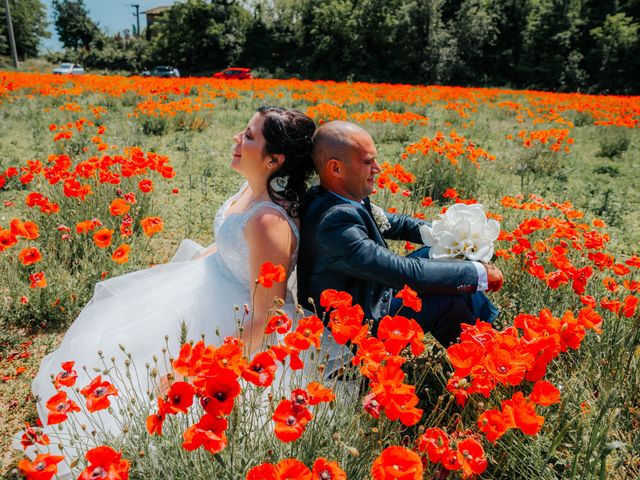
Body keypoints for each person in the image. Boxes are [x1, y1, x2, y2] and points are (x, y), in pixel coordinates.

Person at [19, 107, 349, 472]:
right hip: (207, 282)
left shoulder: (270, 222)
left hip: (236, 321)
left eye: (249, 136)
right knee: (116, 345)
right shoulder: (253, 189)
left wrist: (206, 373)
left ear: (275, 159)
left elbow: (265, 315)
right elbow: (229, 245)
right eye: (244, 131)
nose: (236, 139)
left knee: (153, 391)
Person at [298, 121, 503, 347]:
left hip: (370, 293)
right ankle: (484, 358)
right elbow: (404, 272)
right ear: (335, 168)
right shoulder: (334, 223)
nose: (377, 168)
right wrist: (477, 273)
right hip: (356, 324)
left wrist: (450, 236)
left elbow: (397, 223)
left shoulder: (340, 195)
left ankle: (490, 332)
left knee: (439, 256)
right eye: (367, 162)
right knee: (445, 300)